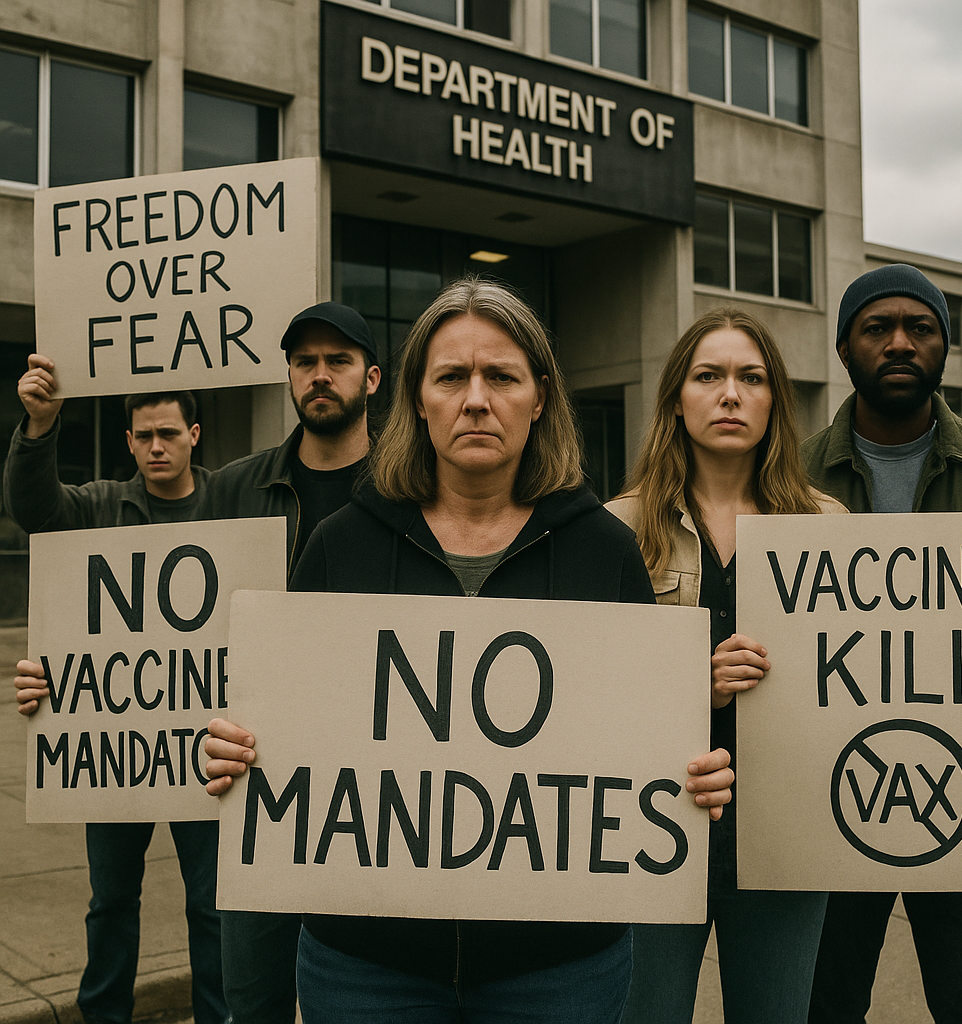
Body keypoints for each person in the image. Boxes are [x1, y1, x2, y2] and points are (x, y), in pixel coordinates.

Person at [203, 277, 735, 1023]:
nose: (476, 399)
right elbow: (291, 724)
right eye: (451, 376)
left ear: (540, 397)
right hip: (365, 968)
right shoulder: (341, 546)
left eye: (502, 377)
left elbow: (642, 740)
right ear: (417, 398)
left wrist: (691, 774)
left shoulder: (604, 551)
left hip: (562, 971)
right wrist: (237, 746)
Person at [606, 308, 845, 1023]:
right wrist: (693, 688)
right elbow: (589, 695)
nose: (731, 394)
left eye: (752, 377)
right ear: (677, 398)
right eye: (708, 376)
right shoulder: (619, 527)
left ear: (776, 401)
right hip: (655, 824)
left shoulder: (827, 526)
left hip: (789, 827)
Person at [804, 263, 962, 1024]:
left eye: (920, 328)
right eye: (877, 328)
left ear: (944, 347)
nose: (899, 342)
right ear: (843, 349)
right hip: (827, 795)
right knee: (824, 1002)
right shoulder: (790, 478)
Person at [5, 359, 226, 1024]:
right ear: (128, 442)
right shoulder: (99, 504)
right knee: (110, 901)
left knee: (213, 905)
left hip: (204, 746)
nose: (157, 446)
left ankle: (221, 1017)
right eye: (143, 436)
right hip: (115, 743)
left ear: (194, 434)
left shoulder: (228, 504)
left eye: (168, 433)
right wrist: (40, 426)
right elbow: (32, 508)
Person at [196, 300, 381, 1024]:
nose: (319, 375)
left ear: (371, 379)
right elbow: (164, 627)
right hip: (257, 791)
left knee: (366, 1000)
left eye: (337, 361)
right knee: (256, 1001)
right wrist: (69, 678)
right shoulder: (231, 490)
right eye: (304, 362)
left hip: (372, 795)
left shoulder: (415, 490)